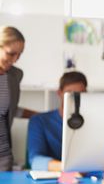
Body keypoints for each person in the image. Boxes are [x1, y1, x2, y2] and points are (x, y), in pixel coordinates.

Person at [27, 71, 87, 171]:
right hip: (55, 176)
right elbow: (35, 161)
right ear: (59, 93)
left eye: (80, 93)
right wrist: (70, 169)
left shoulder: (94, 123)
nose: (75, 98)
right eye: (69, 93)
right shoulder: (39, 121)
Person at [0, 26, 38, 171]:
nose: (15, 60)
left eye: (20, 54)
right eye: (11, 54)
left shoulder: (15, 75)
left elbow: (10, 110)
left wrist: (40, 116)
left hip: (3, 155)